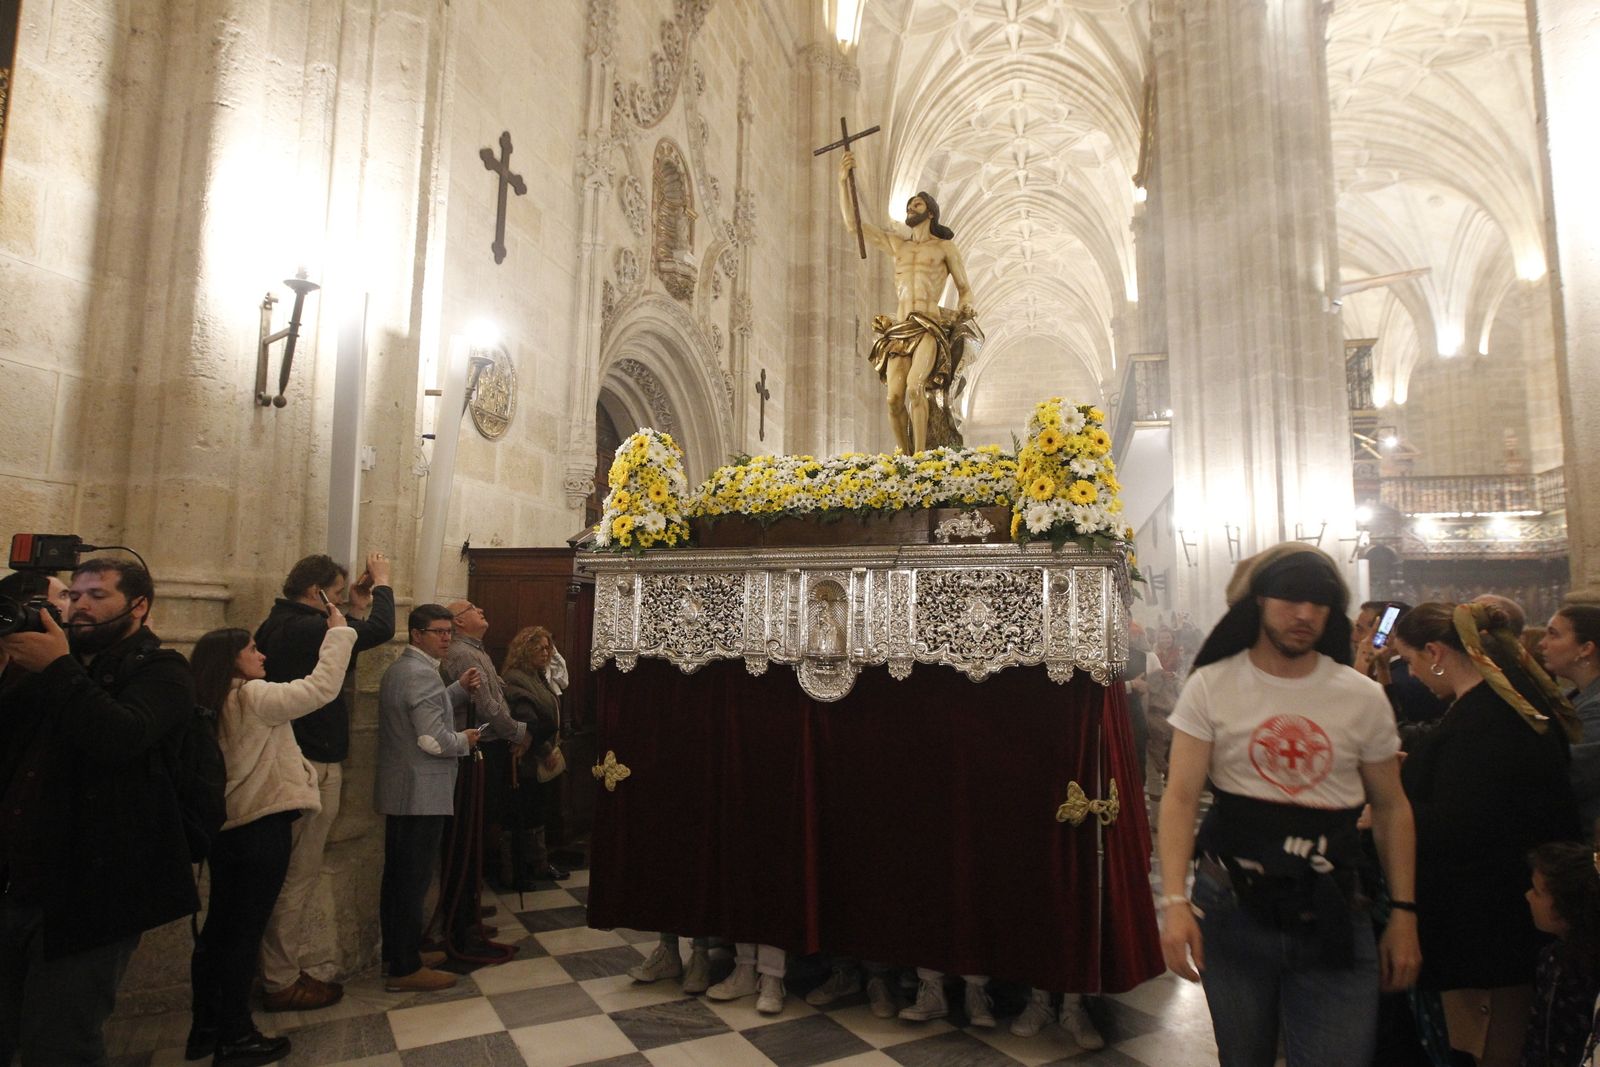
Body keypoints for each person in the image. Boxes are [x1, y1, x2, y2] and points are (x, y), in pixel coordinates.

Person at [1158, 543, 1421, 1067]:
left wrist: (1404, 914)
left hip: (1333, 904)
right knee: (1244, 1056)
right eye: (1289, 599)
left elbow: (1392, 808)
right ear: (1258, 602)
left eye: (1320, 602)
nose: (1304, 614)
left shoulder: (1361, 696)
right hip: (1233, 905)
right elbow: (1182, 797)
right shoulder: (1212, 685)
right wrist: (1174, 902)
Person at [0, 560, 198, 1066]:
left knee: (60, 1041)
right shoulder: (47, 668)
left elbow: (121, 736)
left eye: (97, 596)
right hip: (18, 879)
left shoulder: (163, 669)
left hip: (92, 889)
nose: (79, 606)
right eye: (74, 596)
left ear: (139, 606)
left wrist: (58, 667)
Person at [1391, 601, 1581, 1067]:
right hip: (1488, 916)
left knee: (1489, 1043)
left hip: (1487, 923)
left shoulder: (1486, 720)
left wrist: (1388, 813)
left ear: (1435, 651)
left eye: (1412, 661)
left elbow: (1466, 824)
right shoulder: (1493, 707)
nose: (1413, 676)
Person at [183, 613, 355, 1065]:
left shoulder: (212, 696)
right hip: (260, 827)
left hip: (227, 830)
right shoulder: (253, 696)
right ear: (232, 660)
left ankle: (206, 1026)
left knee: (219, 931)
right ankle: (236, 1036)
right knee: (242, 934)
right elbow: (321, 689)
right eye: (252, 649)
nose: (262, 655)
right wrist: (339, 633)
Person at [254, 550, 395, 1011]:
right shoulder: (304, 626)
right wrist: (384, 585)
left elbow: (345, 646)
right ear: (315, 593)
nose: (338, 603)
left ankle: (279, 971)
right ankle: (280, 979)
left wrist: (352, 605)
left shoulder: (279, 623)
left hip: (299, 755)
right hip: (309, 761)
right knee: (297, 875)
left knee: (291, 873)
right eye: (334, 595)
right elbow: (377, 632)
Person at [837, 149, 976, 455]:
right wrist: (842, 180)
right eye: (909, 204)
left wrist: (966, 305)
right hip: (900, 329)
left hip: (928, 327)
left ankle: (920, 461)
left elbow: (964, 288)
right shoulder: (896, 244)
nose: (911, 206)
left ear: (930, 213)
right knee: (893, 398)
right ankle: (905, 458)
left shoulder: (944, 248)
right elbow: (853, 226)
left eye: (917, 203)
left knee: (916, 388)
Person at [375, 604, 482, 992]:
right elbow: (431, 739)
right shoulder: (419, 674)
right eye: (437, 632)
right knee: (410, 881)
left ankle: (399, 953)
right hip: (419, 790)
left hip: (407, 789)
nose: (445, 638)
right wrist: (466, 740)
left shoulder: (411, 671)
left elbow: (424, 712)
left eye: (448, 632)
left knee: (400, 878)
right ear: (416, 634)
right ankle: (404, 968)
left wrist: (455, 690)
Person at [436, 601, 528, 950]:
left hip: (486, 748)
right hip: (473, 748)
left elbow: (496, 696)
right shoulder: (462, 654)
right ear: (460, 621)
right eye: (473, 608)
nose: (481, 610)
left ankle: (469, 906)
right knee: (467, 833)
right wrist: (518, 732)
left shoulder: (477, 651)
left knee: (479, 830)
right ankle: (460, 917)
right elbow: (487, 706)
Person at [499, 626, 571, 885]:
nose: (546, 652)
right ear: (524, 650)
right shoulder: (517, 678)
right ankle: (521, 868)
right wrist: (544, 750)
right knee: (525, 811)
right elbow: (527, 719)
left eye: (548, 647)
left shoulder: (538, 676)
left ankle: (537, 862)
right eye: (539, 648)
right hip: (526, 758)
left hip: (541, 753)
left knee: (537, 810)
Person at [1521, 842, 1600, 1067]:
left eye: (1537, 891)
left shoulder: (1589, 969)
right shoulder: (1550, 957)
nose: (1528, 896)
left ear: (1566, 906)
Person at [1541, 604, 1600, 842]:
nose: (1542, 643)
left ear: (1585, 649)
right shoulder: (1572, 697)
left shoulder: (1597, 706)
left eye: (1553, 634)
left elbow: (1572, 773)